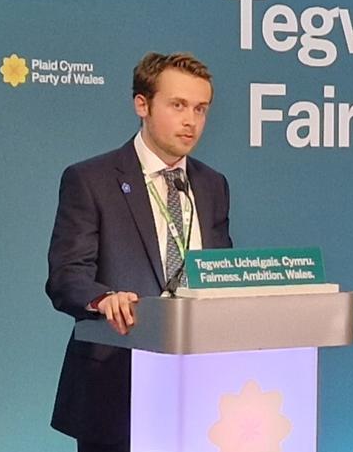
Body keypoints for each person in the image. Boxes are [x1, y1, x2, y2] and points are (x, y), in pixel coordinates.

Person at [46, 52, 233, 452]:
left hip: (199, 385)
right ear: (142, 104)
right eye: (178, 105)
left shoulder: (213, 185)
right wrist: (103, 299)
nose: (191, 121)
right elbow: (66, 277)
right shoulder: (90, 179)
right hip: (116, 384)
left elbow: (219, 274)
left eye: (201, 109)